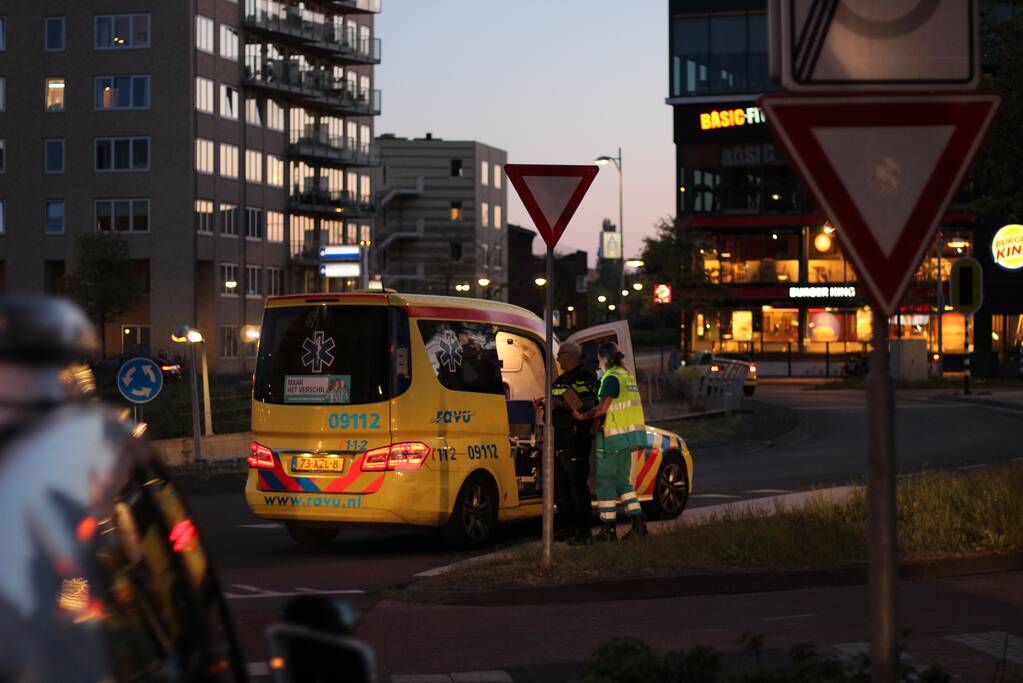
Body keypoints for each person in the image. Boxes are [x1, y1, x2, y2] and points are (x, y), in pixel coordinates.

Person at [572, 341, 648, 541]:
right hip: (628, 438)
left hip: (612, 438)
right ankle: (639, 525)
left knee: (605, 483)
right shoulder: (627, 376)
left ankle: (608, 530)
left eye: (599, 360)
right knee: (623, 483)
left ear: (605, 358)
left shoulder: (611, 378)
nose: (598, 364)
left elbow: (602, 409)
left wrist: (581, 416)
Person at [550, 341, 599, 544]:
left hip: (576, 436)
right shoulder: (560, 380)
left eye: (560, 354)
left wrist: (559, 403)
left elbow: (586, 404)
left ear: (569, 355)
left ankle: (583, 530)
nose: (558, 358)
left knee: (576, 484)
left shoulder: (585, 376)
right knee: (560, 483)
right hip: (558, 436)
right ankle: (567, 527)